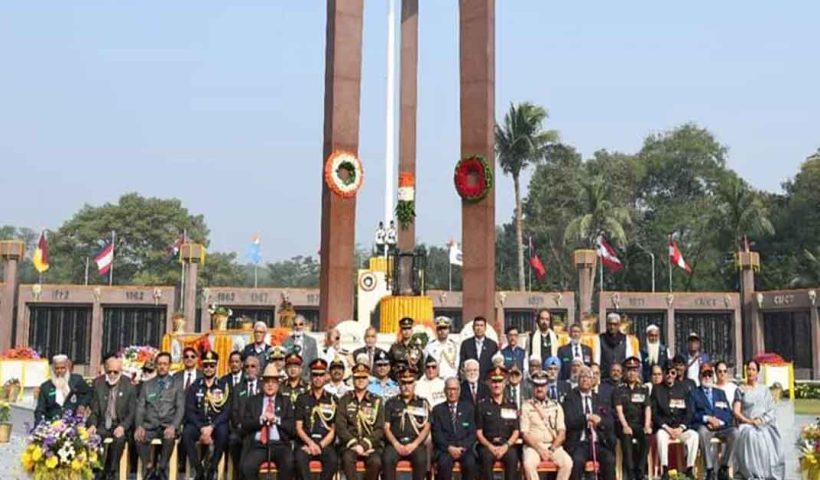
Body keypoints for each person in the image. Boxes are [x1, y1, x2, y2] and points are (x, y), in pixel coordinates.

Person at [239, 363, 295, 480]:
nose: (270, 385)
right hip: (259, 445)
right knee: (247, 467)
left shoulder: (285, 401)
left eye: (274, 382)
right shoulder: (253, 401)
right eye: (267, 381)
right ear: (262, 383)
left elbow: (291, 427)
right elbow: (245, 424)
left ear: (278, 384)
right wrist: (260, 420)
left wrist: (276, 420)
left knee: (288, 464)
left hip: (280, 444)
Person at [135, 351, 186, 480]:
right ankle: (148, 467)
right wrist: (139, 426)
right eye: (159, 364)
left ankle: (162, 468)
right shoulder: (147, 385)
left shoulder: (177, 384)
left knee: (169, 438)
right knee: (138, 437)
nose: (162, 367)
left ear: (169, 366)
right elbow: (140, 408)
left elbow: (180, 408)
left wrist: (174, 426)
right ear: (156, 365)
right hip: (150, 425)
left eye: (165, 364)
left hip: (167, 425)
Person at [732, 360, 785, 480]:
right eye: (748, 369)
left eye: (753, 370)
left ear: (757, 373)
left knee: (765, 435)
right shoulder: (740, 390)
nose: (750, 372)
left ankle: (766, 473)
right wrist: (749, 421)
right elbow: (736, 411)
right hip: (746, 424)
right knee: (751, 435)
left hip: (763, 423)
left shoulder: (764, 390)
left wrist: (762, 420)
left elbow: (771, 410)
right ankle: (752, 473)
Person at [182, 351, 230, 480]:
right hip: (199, 424)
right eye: (206, 366)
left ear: (216, 366)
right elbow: (189, 410)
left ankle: (212, 468)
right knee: (186, 433)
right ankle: (198, 469)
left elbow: (226, 411)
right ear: (202, 366)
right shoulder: (195, 386)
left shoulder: (223, 386)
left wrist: (212, 427)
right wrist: (202, 428)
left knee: (224, 433)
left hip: (216, 424)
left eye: (212, 366)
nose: (209, 369)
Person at [562, 365, 616, 480]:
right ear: (578, 380)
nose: (585, 379)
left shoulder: (600, 399)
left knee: (609, 460)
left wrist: (600, 421)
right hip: (579, 443)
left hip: (598, 442)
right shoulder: (570, 398)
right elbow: (568, 422)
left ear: (593, 381)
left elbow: (610, 421)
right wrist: (586, 418)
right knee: (577, 461)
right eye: (582, 377)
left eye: (588, 377)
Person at [87, 356, 136, 480]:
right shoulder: (98, 384)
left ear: (121, 371)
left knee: (119, 438)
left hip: (120, 423)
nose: (112, 374)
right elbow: (95, 410)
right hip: (103, 423)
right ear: (105, 370)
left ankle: (112, 471)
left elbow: (132, 412)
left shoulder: (129, 385)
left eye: (116, 372)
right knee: (95, 436)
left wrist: (123, 426)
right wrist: (92, 424)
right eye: (109, 372)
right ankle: (98, 470)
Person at [336, 362, 385, 480]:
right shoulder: (345, 400)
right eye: (357, 377)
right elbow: (340, 427)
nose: (360, 380)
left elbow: (379, 428)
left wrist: (363, 446)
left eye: (364, 377)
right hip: (349, 445)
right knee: (347, 459)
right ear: (353, 380)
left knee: (376, 462)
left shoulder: (377, 401)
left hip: (371, 445)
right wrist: (355, 445)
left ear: (368, 379)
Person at [520, 370, 573, 480]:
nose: (539, 389)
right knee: (528, 464)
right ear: (532, 387)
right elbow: (524, 433)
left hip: (552, 446)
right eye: (536, 386)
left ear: (548, 387)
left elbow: (562, 432)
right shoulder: (526, 406)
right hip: (533, 447)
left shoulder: (556, 406)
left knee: (567, 463)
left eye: (542, 386)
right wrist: (539, 450)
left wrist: (552, 449)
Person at [652, 361, 699, 479]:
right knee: (660, 436)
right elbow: (654, 413)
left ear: (675, 374)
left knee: (694, 435)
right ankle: (665, 469)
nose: (669, 375)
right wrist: (666, 428)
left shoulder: (683, 388)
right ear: (663, 373)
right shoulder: (657, 389)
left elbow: (689, 411)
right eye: (667, 372)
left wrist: (682, 427)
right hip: (665, 428)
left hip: (680, 428)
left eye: (672, 372)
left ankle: (689, 468)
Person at [689, 363, 736, 480]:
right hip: (705, 426)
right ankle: (709, 469)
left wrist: (719, 422)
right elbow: (692, 414)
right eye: (704, 374)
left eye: (710, 374)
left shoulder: (720, 393)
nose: (707, 377)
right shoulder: (694, 393)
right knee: (702, 432)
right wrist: (706, 418)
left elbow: (728, 414)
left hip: (721, 427)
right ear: (699, 376)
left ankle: (724, 467)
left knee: (735, 433)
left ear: (713, 376)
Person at [382, 367, 431, 480]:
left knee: (421, 460)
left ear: (414, 384)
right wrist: (396, 444)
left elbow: (427, 426)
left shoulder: (422, 403)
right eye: (403, 383)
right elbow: (386, 427)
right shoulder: (391, 403)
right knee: (387, 459)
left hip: (415, 443)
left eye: (409, 383)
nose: (406, 386)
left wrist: (414, 444)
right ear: (399, 384)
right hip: (395, 443)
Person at [294, 358, 338, 480]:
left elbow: (333, 430)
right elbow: (298, 427)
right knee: (299, 460)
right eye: (315, 375)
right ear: (310, 376)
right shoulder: (302, 398)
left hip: (325, 444)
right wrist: (310, 443)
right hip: (306, 443)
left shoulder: (333, 399)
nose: (318, 378)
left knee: (333, 461)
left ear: (326, 376)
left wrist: (319, 445)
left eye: (321, 375)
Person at [476, 366, 520, 480]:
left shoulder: (511, 405)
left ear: (505, 383)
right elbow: (479, 433)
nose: (496, 385)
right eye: (494, 382)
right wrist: (490, 447)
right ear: (489, 384)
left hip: (506, 445)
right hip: (487, 445)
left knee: (513, 457)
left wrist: (506, 446)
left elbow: (516, 431)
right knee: (485, 459)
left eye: (499, 382)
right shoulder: (482, 405)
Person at [431, 377, 477, 480]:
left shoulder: (468, 408)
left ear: (459, 391)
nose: (452, 393)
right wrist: (449, 448)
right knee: (443, 464)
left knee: (470, 463)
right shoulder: (437, 410)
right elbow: (437, 434)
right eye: (449, 389)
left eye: (455, 389)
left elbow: (472, 433)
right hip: (445, 450)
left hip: (464, 449)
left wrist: (462, 447)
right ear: (444, 391)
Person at [614, 357, 652, 480]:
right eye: (629, 370)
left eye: (635, 370)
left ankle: (640, 470)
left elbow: (647, 408)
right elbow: (619, 409)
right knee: (626, 436)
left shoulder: (643, 389)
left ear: (638, 372)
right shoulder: (619, 389)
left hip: (639, 423)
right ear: (625, 372)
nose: (632, 373)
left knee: (647, 436)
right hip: (624, 423)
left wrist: (647, 425)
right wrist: (625, 426)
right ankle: (630, 471)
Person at [35, 354, 92, 424]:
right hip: (51, 425)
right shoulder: (45, 387)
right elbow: (40, 409)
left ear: (67, 368)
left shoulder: (76, 381)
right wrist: (39, 424)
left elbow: (88, 393)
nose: (60, 371)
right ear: (53, 369)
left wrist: (83, 404)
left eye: (62, 368)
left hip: (73, 423)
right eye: (57, 368)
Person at [228, 355, 260, 480]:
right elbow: (234, 412)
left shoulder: (263, 387)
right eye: (246, 366)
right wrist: (241, 425)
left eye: (253, 366)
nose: (249, 369)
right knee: (233, 439)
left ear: (258, 369)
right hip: (242, 429)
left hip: (260, 428)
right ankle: (239, 473)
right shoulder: (238, 388)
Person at [598, 313, 629, 380]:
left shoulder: (625, 339)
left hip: (621, 378)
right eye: (610, 324)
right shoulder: (600, 339)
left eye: (615, 324)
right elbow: (597, 359)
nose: (612, 327)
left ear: (619, 325)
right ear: (607, 325)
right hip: (604, 377)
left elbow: (628, 359)